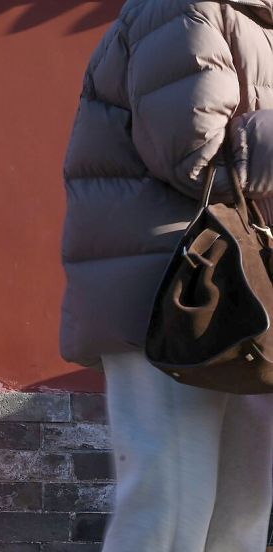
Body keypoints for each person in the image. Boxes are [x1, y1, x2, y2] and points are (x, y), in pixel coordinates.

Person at [61, 1, 273, 550]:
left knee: (240, 521)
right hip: (174, 296)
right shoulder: (180, 7)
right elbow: (195, 151)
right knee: (170, 516)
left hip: (243, 296)